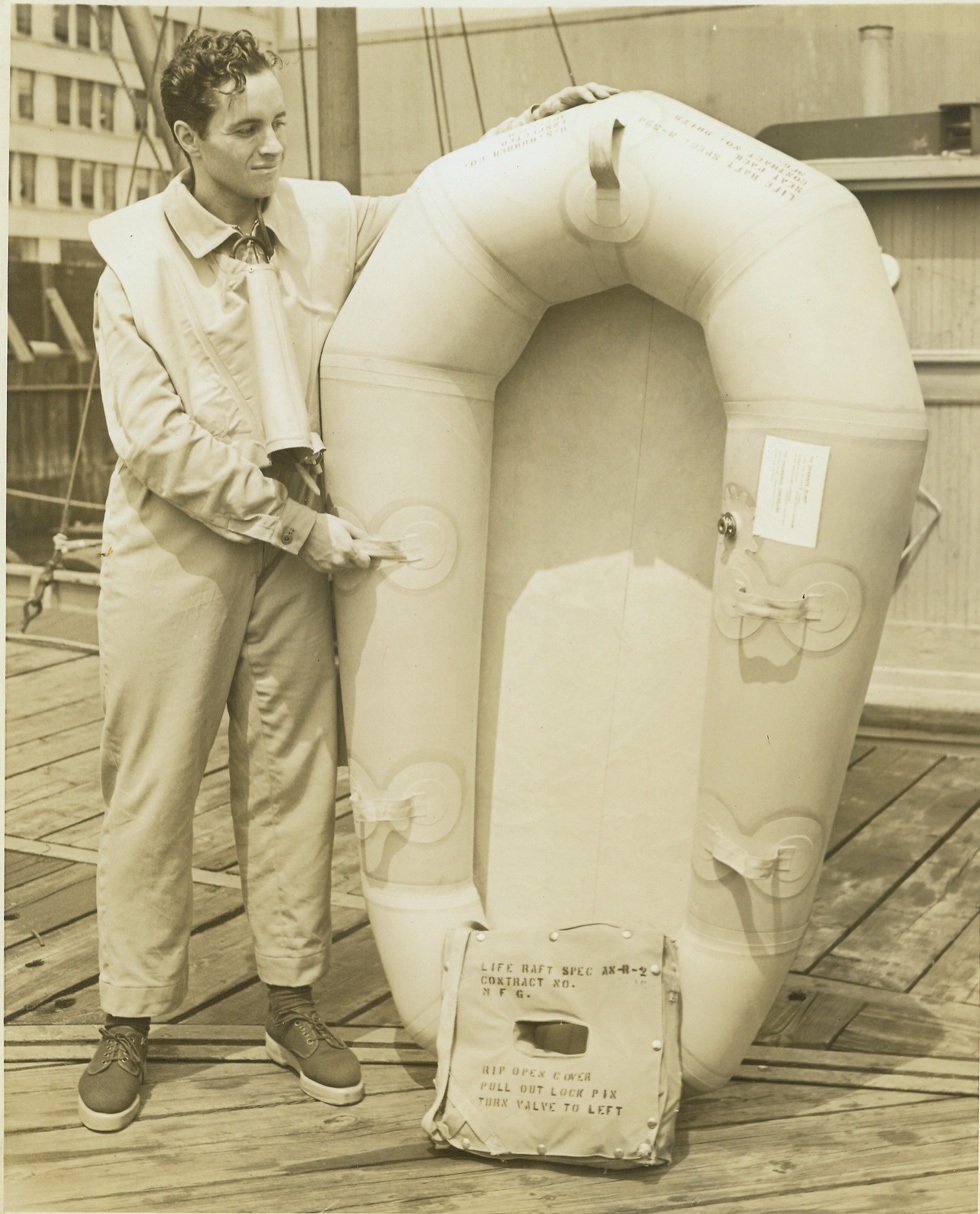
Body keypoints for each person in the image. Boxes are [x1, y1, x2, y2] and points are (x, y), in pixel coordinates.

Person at [77, 26, 617, 1133]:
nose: (274, 142)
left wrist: (535, 128)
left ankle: (288, 998)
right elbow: (155, 444)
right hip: (179, 551)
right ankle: (130, 1014)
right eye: (246, 129)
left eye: (280, 121)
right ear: (187, 138)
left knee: (289, 777)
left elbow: (434, 202)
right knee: (152, 785)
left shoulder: (317, 214)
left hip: (293, 552)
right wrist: (300, 529)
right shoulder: (128, 259)